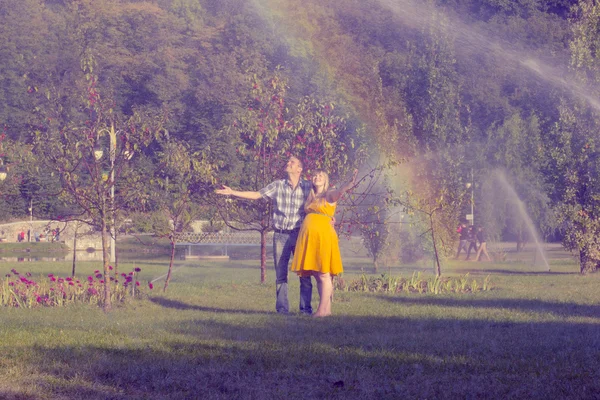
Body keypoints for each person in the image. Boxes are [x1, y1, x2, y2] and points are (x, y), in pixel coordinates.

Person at [215, 156, 313, 315]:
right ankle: (282, 311)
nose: (287, 163)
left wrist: (329, 217)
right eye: (288, 161)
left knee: (305, 274)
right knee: (281, 274)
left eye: (292, 162)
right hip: (280, 236)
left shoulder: (308, 186)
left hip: (300, 235)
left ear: (299, 169)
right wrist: (232, 192)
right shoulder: (277, 185)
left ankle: (306, 310)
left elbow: (322, 200)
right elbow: (256, 194)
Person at [290, 169, 357, 317]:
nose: (317, 177)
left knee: (324, 273)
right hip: (310, 237)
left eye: (321, 176)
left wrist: (347, 185)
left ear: (325, 180)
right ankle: (327, 311)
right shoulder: (311, 196)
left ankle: (321, 310)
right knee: (317, 273)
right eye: (315, 175)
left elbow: (338, 193)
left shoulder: (328, 194)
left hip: (323, 236)